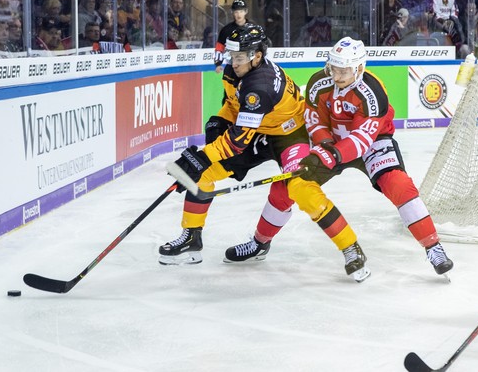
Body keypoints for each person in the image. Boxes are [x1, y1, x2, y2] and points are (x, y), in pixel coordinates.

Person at [158, 24, 371, 282]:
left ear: (256, 56)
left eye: (238, 58)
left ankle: (350, 247)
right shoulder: (235, 70)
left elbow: (237, 142)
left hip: (290, 134)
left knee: (300, 187)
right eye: (231, 56)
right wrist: (220, 120)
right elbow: (232, 105)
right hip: (259, 131)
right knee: (203, 172)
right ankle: (192, 238)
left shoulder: (261, 86)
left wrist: (202, 156)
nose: (232, 63)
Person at [300, 36, 454, 276]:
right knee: (294, 184)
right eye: (333, 69)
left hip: (372, 143)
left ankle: (433, 247)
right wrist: (324, 145)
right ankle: (261, 241)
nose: (336, 77)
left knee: (399, 184)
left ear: (359, 68)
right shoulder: (319, 83)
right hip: (333, 143)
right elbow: (315, 120)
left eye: (343, 71)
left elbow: (361, 140)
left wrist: (330, 155)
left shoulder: (372, 92)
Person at [214, 0, 252, 73]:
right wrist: (218, 64)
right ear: (232, 12)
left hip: (249, 67)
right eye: (236, 12)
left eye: (241, 11)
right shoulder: (226, 30)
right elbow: (219, 48)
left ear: (246, 11)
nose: (239, 14)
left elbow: (261, 47)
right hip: (232, 67)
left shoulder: (253, 28)